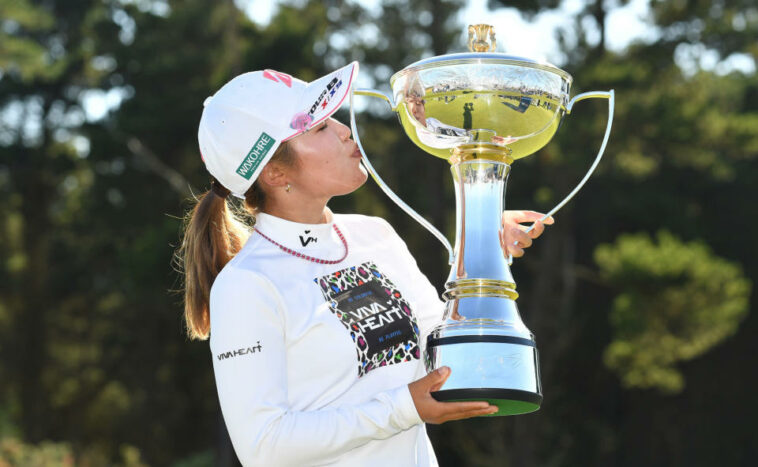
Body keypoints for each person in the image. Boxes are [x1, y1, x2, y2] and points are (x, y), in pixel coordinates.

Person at [178, 62, 553, 467]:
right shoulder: (246, 284)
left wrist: (482, 245)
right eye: (319, 127)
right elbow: (264, 446)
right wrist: (404, 407)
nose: (344, 130)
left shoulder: (375, 236)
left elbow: (442, 354)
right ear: (273, 171)